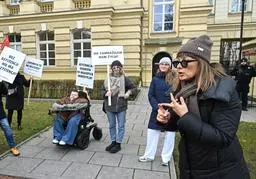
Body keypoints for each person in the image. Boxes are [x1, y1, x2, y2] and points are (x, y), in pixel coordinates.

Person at [157, 35, 250, 179]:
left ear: (201, 62)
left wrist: (185, 116)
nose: (179, 67)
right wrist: (166, 119)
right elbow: (182, 125)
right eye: (177, 63)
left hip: (221, 170)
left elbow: (223, 137)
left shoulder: (222, 89)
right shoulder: (184, 88)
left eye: (185, 62)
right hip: (190, 166)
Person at [138, 57, 178, 166]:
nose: (164, 66)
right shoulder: (155, 79)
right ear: (159, 65)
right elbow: (151, 95)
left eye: (166, 64)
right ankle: (149, 155)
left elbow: (177, 95)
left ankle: (166, 158)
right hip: (157, 111)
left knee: (169, 135)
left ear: (169, 66)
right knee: (152, 132)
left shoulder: (176, 79)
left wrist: (169, 110)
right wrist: (157, 108)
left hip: (171, 111)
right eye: (162, 64)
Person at [101, 60, 137, 153]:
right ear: (111, 69)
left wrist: (128, 93)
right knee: (112, 125)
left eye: (118, 67)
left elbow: (134, 88)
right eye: (114, 67)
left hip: (121, 106)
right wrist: (106, 93)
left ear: (121, 68)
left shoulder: (124, 78)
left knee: (121, 126)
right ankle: (113, 142)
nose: (116, 69)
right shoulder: (107, 80)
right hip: (109, 107)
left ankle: (118, 143)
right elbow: (101, 92)